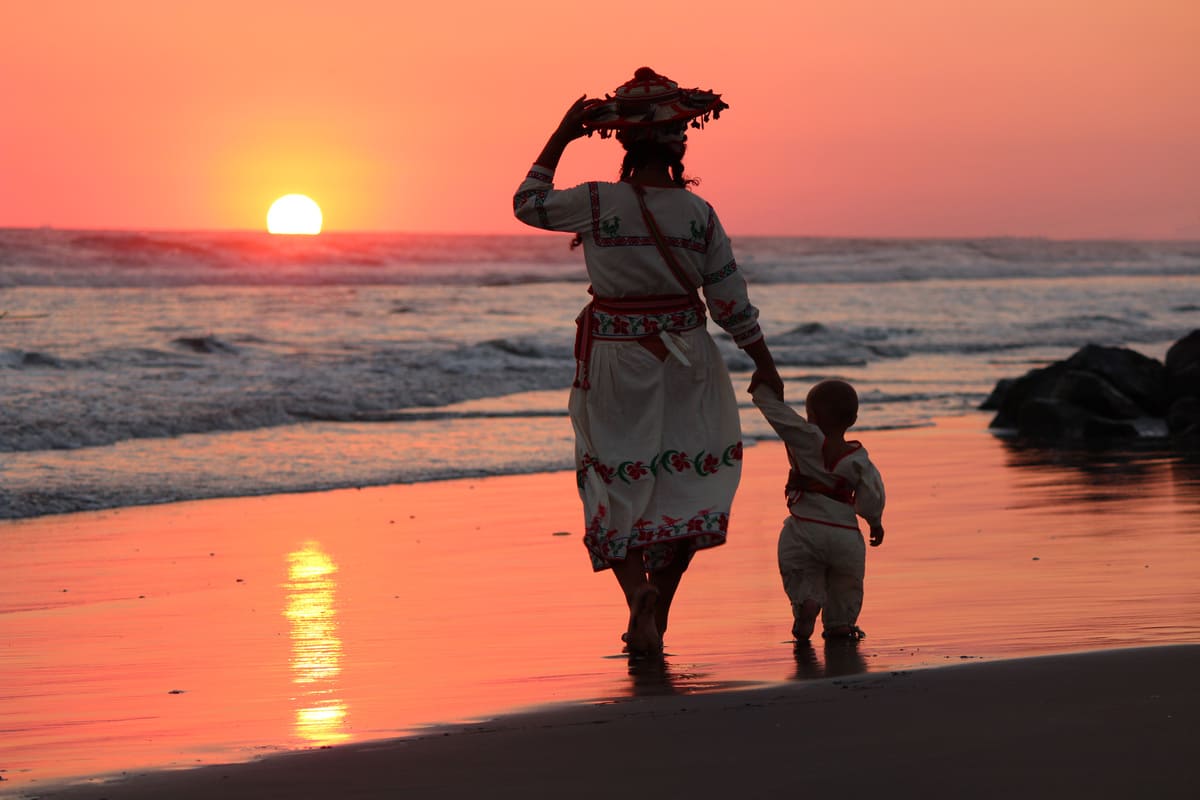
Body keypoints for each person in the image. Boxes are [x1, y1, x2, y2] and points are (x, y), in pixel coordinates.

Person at [513, 67, 782, 654]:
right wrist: (764, 361)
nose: (686, 140)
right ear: (675, 143)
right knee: (689, 479)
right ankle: (658, 597)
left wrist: (561, 135)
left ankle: (638, 595)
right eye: (683, 133)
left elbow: (527, 204)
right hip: (690, 358)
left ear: (624, 143)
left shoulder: (595, 201)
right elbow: (729, 299)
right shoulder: (699, 213)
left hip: (615, 357)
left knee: (614, 478)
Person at [750, 379, 886, 642]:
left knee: (800, 569)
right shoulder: (858, 459)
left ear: (810, 417)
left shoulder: (806, 438)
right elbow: (872, 493)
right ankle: (840, 624)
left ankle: (807, 603)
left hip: (803, 528)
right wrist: (875, 522)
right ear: (854, 419)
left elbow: (779, 416)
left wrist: (763, 389)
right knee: (845, 583)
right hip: (845, 535)